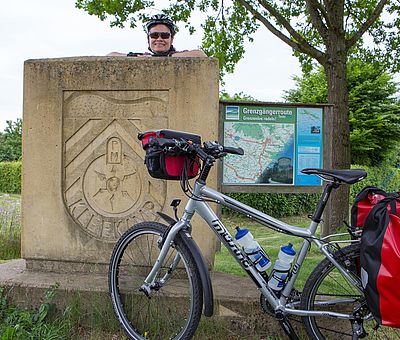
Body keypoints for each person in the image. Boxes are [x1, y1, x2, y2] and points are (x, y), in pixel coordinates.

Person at [107, 14, 206, 58]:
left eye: (164, 35)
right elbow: (110, 56)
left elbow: (200, 55)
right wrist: (135, 57)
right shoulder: (144, 56)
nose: (159, 39)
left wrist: (167, 56)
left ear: (171, 39)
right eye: (154, 35)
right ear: (148, 38)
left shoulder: (179, 55)